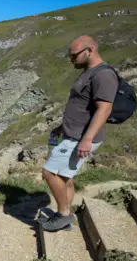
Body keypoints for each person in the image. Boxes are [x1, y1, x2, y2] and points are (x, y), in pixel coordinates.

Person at [41, 36, 117, 232]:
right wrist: (63, 127)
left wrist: (87, 139)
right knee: (66, 177)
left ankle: (64, 214)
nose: (71, 60)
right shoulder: (88, 72)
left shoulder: (104, 75)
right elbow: (81, 105)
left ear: (90, 50)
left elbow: (104, 109)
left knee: (49, 173)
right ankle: (64, 218)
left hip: (80, 138)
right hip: (72, 134)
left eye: (74, 56)